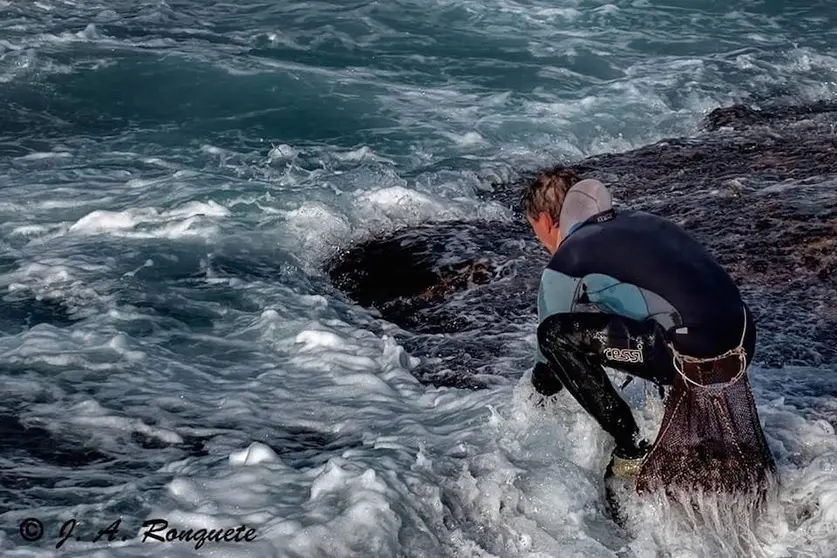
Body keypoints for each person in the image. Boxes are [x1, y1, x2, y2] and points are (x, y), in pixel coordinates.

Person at [519, 166, 775, 494]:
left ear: (546, 220)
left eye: (534, 229)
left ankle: (630, 448)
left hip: (691, 351)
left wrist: (531, 405)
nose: (539, 241)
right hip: (742, 337)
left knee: (555, 334)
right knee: (650, 322)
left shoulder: (568, 258)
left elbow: (548, 360)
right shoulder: (639, 224)